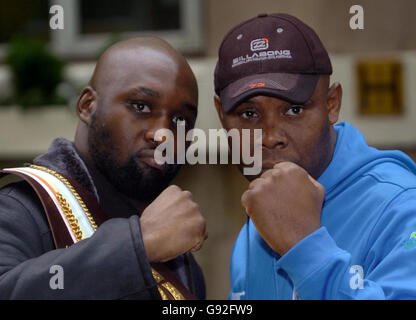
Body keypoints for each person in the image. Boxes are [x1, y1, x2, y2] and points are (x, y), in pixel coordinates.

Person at [213, 13, 416, 299]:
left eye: (294, 110)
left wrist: (305, 246)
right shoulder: (254, 227)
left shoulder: (404, 208)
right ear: (221, 116)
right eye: (249, 114)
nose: (271, 137)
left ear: (332, 105)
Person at [0, 37, 207, 299]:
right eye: (141, 106)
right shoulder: (19, 210)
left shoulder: (179, 251)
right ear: (87, 106)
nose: (163, 134)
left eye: (181, 119)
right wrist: (138, 246)